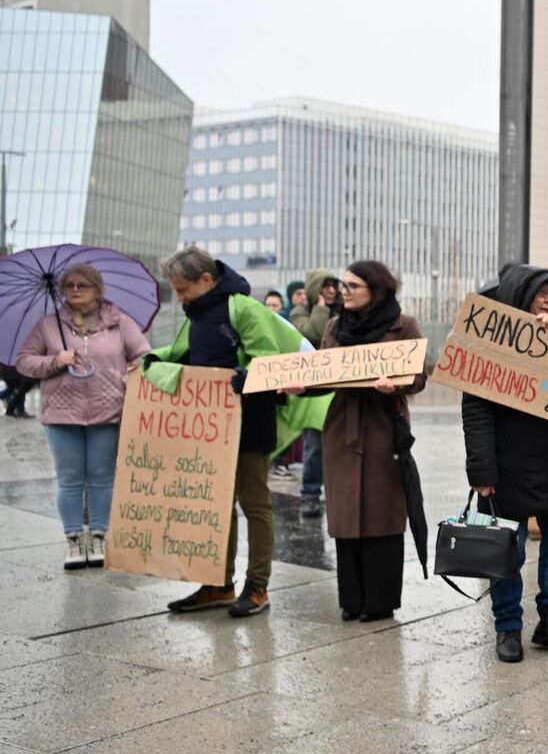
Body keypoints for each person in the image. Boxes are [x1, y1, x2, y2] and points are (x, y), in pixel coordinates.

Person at [154, 247, 321, 617]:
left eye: (183, 289)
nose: (179, 297)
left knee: (255, 503)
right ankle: (218, 584)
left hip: (250, 421)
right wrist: (151, 362)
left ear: (207, 280)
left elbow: (267, 358)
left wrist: (243, 379)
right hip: (212, 426)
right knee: (217, 506)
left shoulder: (242, 308)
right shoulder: (195, 314)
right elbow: (183, 353)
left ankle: (257, 586)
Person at [286, 261, 428, 622]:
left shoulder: (404, 325)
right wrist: (303, 386)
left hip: (383, 427)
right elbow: (327, 375)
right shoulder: (336, 325)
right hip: (342, 428)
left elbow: (419, 376)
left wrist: (396, 385)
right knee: (346, 514)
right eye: (344, 285)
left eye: (352, 286)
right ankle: (352, 599)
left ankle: (379, 602)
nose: (343, 291)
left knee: (382, 512)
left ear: (375, 289)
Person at [463, 263, 548, 663]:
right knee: (507, 551)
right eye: (540, 292)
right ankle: (507, 627)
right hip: (508, 465)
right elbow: (476, 411)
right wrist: (482, 471)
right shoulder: (487, 343)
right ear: (519, 296)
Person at [14, 264, 151, 569]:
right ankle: (74, 539)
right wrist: (54, 361)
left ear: (98, 290)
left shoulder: (120, 323)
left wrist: (129, 376)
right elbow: (24, 362)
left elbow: (144, 356)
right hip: (62, 415)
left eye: (83, 285)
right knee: (70, 480)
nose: (75, 290)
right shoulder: (49, 325)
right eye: (70, 285)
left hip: (108, 411)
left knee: (102, 478)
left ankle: (99, 536)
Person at [290, 268, 342, 519]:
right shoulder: (300, 312)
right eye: (325, 286)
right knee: (313, 446)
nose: (331, 290)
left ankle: (336, 495)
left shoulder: (345, 312)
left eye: (334, 285)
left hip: (339, 388)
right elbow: (316, 335)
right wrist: (321, 308)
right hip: (314, 390)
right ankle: (310, 495)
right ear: (314, 289)